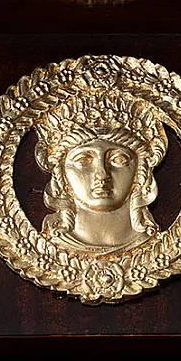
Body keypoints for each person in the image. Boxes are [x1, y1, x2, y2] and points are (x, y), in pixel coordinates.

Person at [34, 91, 168, 252]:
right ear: (61, 172)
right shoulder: (49, 249)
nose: (102, 175)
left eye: (118, 160)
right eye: (83, 161)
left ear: (141, 171)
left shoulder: (158, 248)